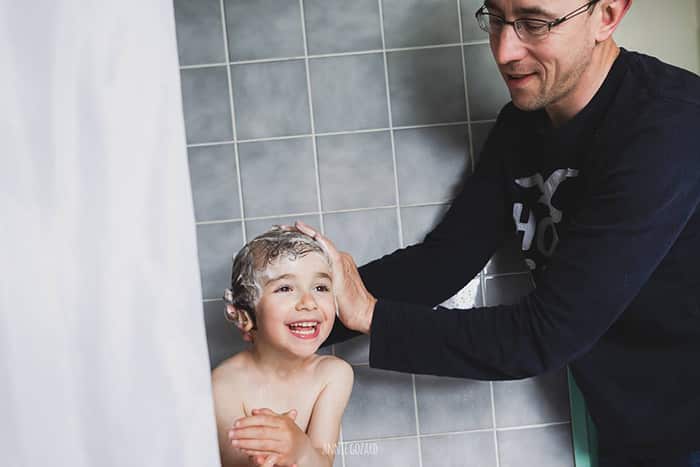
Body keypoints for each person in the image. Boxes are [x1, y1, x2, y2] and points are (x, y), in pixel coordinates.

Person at [281, 1, 700, 466]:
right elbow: (443, 262)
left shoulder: (670, 126)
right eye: (496, 18)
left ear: (606, 14)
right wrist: (303, 313)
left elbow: (543, 335)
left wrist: (373, 316)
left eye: (534, 23)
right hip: (636, 434)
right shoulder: (520, 127)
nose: (504, 50)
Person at [211, 228, 354, 467]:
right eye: (285, 288)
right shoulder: (224, 387)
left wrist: (299, 449)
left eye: (320, 287)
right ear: (245, 316)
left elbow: (323, 459)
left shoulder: (333, 374)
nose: (308, 303)